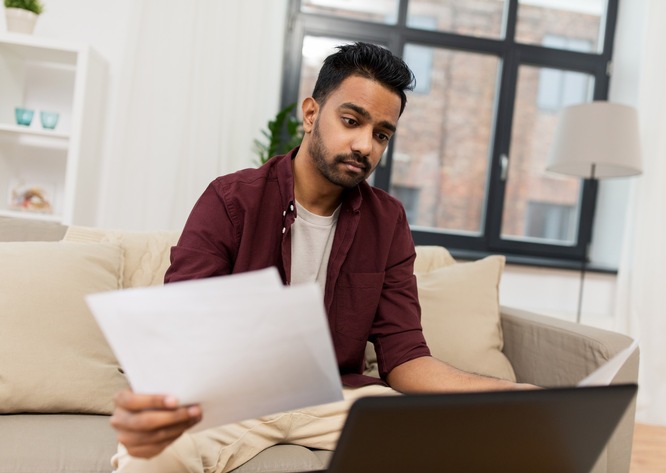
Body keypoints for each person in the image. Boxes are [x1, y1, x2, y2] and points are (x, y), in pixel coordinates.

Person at [110, 42, 535, 473]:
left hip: (337, 395)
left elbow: (405, 356)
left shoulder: (387, 220)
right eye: (351, 121)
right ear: (311, 113)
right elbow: (181, 321)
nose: (365, 145)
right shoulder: (231, 198)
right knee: (153, 453)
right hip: (234, 397)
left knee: (470, 440)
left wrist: (509, 392)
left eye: (382, 134)